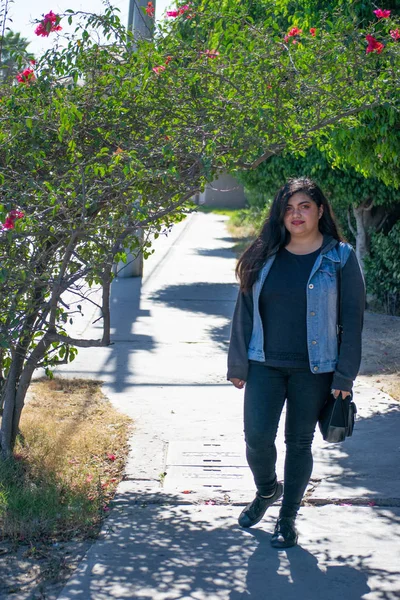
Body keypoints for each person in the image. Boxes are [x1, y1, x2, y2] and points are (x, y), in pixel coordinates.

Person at [227, 178, 365, 548]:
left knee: (299, 442)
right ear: (280, 214)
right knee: (256, 438)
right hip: (264, 364)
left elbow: (353, 320)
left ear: (320, 210)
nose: (296, 214)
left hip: (315, 369)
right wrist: (238, 364)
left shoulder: (341, 257)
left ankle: (287, 518)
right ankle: (267, 490)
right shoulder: (264, 253)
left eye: (304, 206)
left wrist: (345, 375)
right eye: (289, 208)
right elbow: (243, 311)